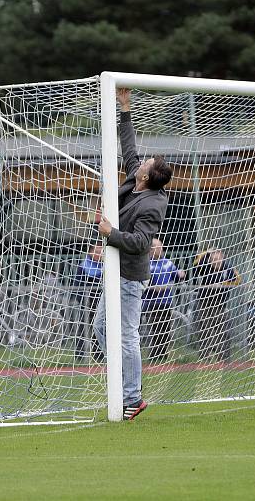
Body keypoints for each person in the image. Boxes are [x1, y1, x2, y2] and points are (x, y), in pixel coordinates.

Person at [94, 88, 172, 421]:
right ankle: (124, 385)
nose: (142, 160)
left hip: (129, 275)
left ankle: (133, 396)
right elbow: (128, 144)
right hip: (115, 271)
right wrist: (125, 107)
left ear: (148, 176)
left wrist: (110, 234)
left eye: (147, 162)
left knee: (127, 335)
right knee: (100, 328)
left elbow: (141, 243)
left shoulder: (154, 203)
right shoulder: (135, 178)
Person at [191, 248, 242, 362]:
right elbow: (195, 263)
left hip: (220, 305)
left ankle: (224, 358)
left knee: (225, 332)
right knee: (204, 332)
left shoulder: (228, 267)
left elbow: (238, 280)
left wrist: (222, 284)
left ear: (222, 257)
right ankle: (205, 358)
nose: (216, 261)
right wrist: (207, 253)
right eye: (213, 259)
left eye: (218, 258)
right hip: (204, 304)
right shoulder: (204, 267)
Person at [142, 237, 185, 363]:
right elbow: (142, 282)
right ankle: (154, 356)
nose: (160, 249)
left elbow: (175, 276)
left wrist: (180, 274)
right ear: (150, 249)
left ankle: (163, 355)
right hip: (151, 302)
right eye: (157, 247)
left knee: (166, 329)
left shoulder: (168, 263)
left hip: (166, 301)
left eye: (161, 246)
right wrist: (152, 287)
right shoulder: (146, 263)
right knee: (155, 329)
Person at [72, 244, 104, 360]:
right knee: (83, 328)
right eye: (97, 251)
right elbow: (77, 286)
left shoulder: (106, 266)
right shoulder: (83, 267)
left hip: (101, 302)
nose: (99, 254)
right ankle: (80, 356)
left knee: (99, 328)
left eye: (101, 252)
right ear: (90, 252)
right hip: (86, 302)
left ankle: (99, 355)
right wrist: (82, 301)